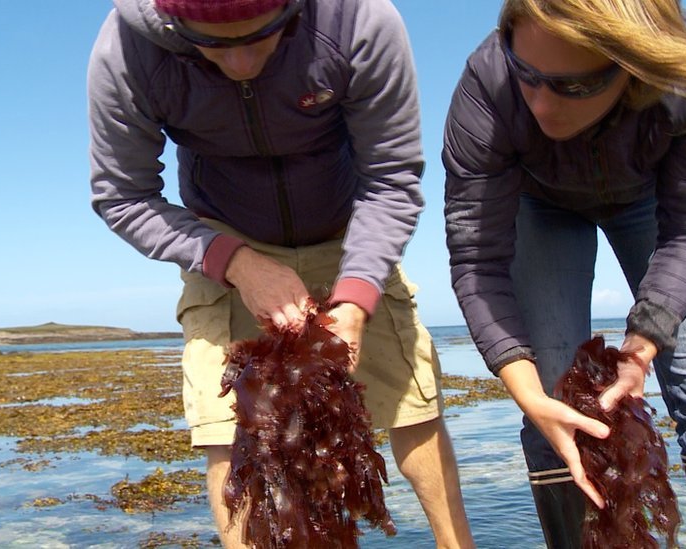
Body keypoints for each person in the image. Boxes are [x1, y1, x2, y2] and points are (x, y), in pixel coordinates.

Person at [87, 0, 475, 547]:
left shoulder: (359, 20)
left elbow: (390, 178)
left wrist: (358, 294)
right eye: (215, 44)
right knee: (229, 435)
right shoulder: (128, 51)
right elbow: (123, 196)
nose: (242, 63)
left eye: (264, 36)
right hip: (221, 239)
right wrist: (236, 262)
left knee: (414, 408)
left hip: (350, 232)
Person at [442, 0, 686, 547]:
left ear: (631, 67)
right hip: (538, 202)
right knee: (553, 407)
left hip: (651, 198)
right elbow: (476, 260)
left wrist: (642, 347)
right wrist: (529, 395)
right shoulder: (488, 87)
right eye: (528, 77)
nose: (540, 104)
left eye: (571, 86)